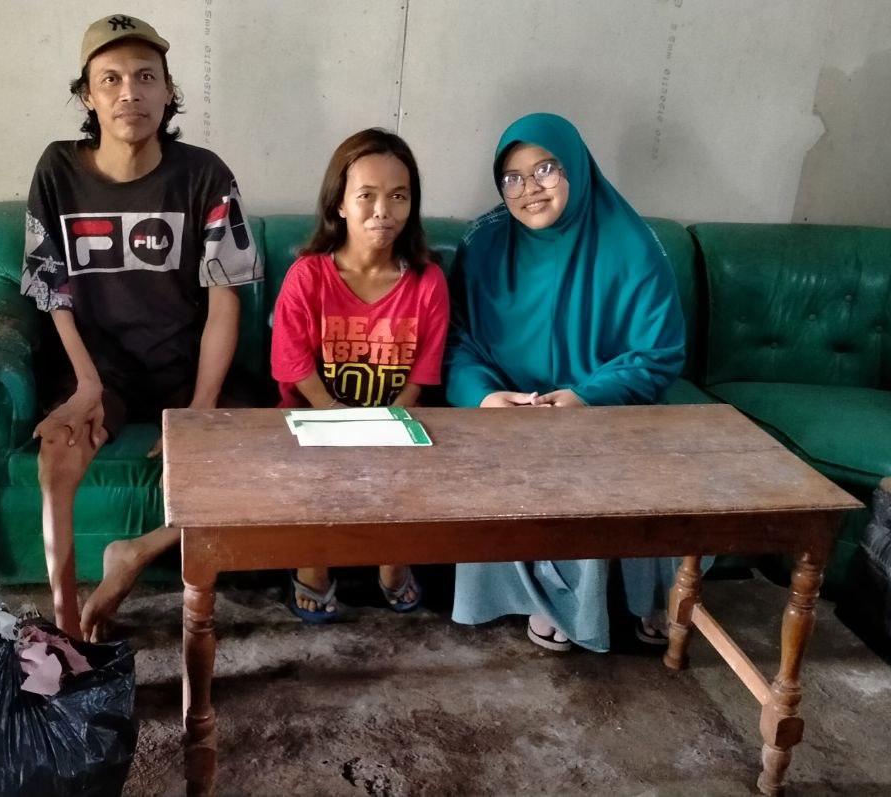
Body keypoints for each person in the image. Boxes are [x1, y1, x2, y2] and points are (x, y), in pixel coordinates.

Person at [21, 14, 262, 640]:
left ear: (168, 91)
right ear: (88, 95)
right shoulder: (57, 170)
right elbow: (53, 290)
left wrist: (202, 407)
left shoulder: (205, 174)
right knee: (58, 453)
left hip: (186, 365)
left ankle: (133, 555)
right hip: (103, 370)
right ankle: (67, 625)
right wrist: (84, 385)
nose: (130, 92)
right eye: (111, 79)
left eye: (145, 77)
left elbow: (224, 301)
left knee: (264, 455)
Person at [445, 112, 686, 652]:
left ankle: (649, 595)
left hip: (605, 403)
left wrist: (586, 395)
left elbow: (660, 351)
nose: (529, 189)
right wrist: (484, 397)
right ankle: (546, 599)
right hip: (516, 405)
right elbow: (455, 339)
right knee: (509, 454)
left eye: (546, 169)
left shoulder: (631, 244)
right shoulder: (483, 245)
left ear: (576, 168)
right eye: (513, 177)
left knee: (626, 459)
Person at [271, 128, 449, 623]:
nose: (382, 210)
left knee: (406, 472)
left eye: (398, 196)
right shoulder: (309, 275)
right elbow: (291, 362)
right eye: (366, 196)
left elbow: (424, 369)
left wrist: (390, 420)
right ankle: (313, 570)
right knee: (314, 478)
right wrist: (334, 416)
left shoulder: (427, 279)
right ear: (340, 205)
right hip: (314, 414)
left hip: (397, 417)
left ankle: (392, 566)